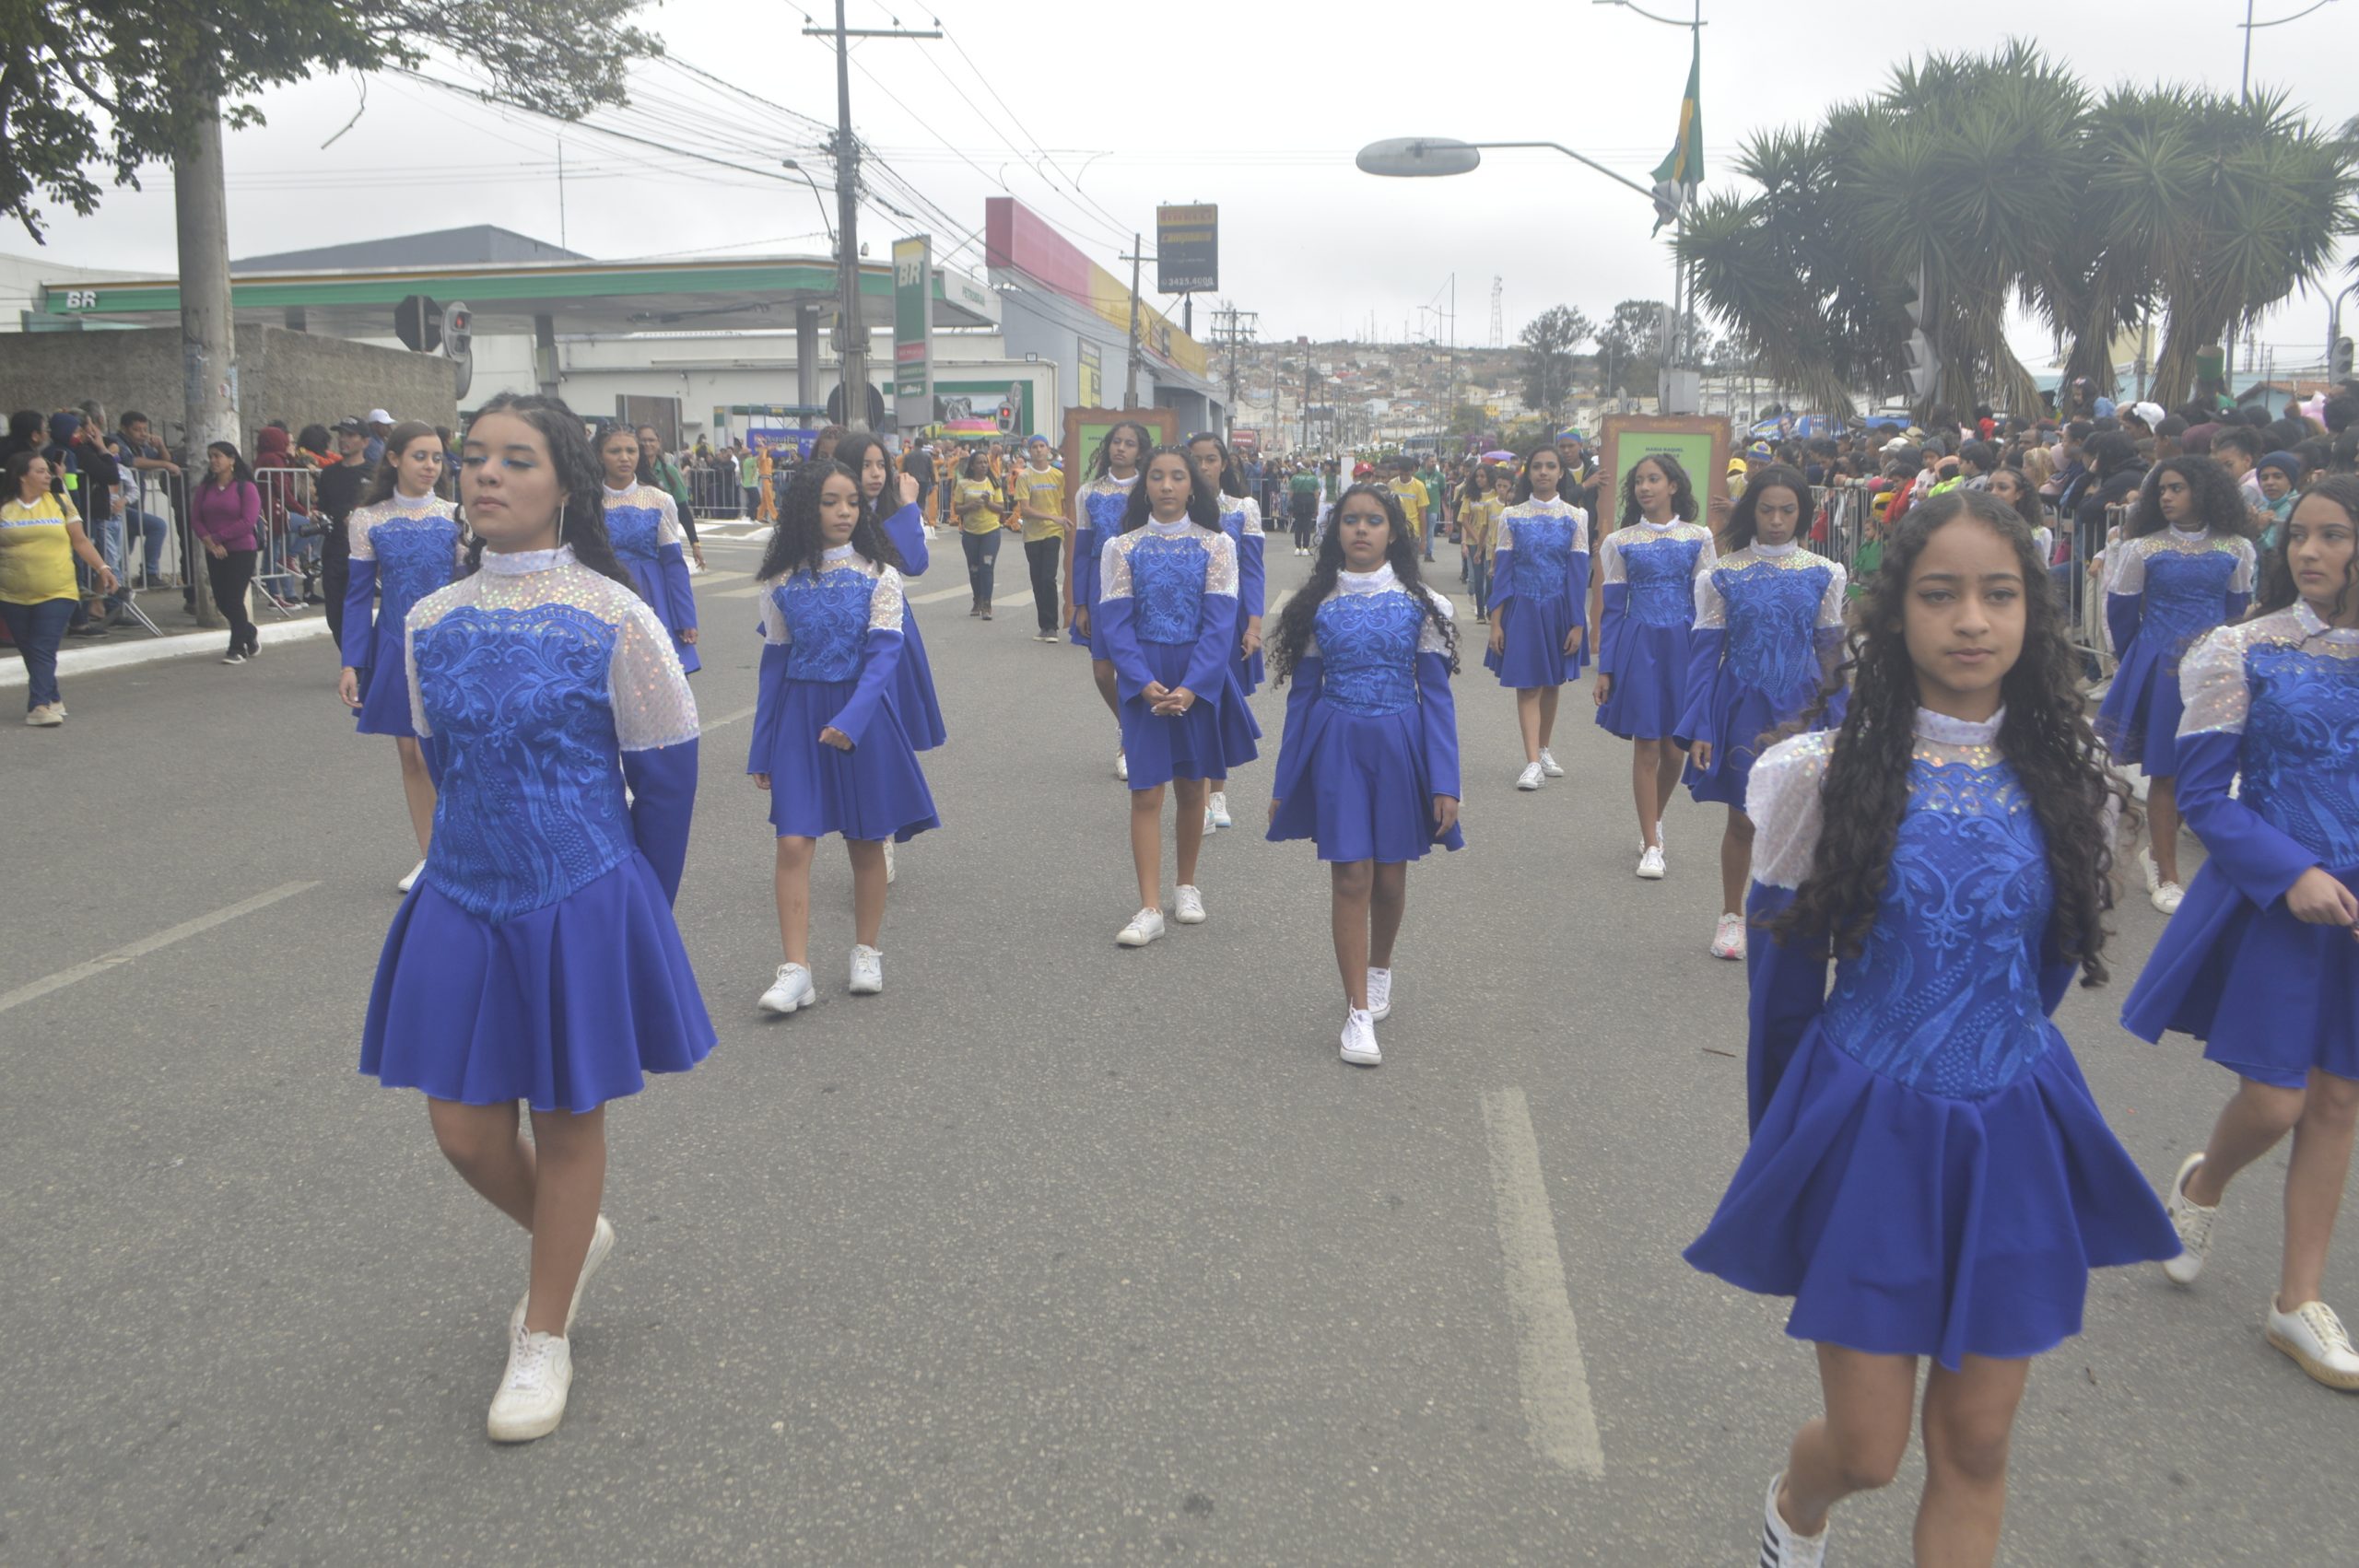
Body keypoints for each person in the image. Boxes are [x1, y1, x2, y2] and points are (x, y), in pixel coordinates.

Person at [1686, 488, 2177, 1568]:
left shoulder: (2076, 782)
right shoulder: (1817, 776)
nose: (1970, 621)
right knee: (1867, 1450)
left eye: (1998, 595)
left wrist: (1987, 1056)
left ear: (2031, 614)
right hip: (1865, 1132)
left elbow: (2046, 969)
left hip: (2012, 1128)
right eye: (1940, 595)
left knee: (1977, 1443)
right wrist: (1789, 1154)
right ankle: (1794, 1508)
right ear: (1893, 611)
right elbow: (1781, 996)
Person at [361, 391, 710, 1445]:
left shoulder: (615, 614)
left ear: (564, 481)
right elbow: (433, 757)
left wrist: (634, 910)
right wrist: (453, 862)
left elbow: (668, 773)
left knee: (565, 1118)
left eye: (516, 458)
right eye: (476, 456)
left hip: (581, 891)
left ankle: (543, 1332)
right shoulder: (428, 621)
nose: (486, 474)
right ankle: (574, 1234)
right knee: (463, 1130)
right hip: (462, 892)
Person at [2120, 474, 2359, 1392]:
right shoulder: (2241, 649)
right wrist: (2289, 872)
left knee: (2338, 1100)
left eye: (2333, 534)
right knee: (2275, 1100)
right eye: (2299, 534)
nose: (2310, 551)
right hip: (2277, 897)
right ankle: (2204, 1181)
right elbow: (2203, 795)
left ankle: (2297, 1301)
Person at [1265, 484, 1461, 1066]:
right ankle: (1356, 1013)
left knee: (1390, 881)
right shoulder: (1315, 605)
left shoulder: (1424, 604)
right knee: (1352, 876)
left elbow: (1438, 698)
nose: (1361, 529)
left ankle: (1380, 967)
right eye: (1350, 520)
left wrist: (1446, 781)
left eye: (1374, 520)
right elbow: (1302, 700)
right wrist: (1284, 782)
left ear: (1392, 532)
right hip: (1339, 747)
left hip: (1400, 745)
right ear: (1336, 530)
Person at [748, 462, 938, 1014]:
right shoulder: (780, 580)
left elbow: (884, 656)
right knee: (792, 841)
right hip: (799, 719)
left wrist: (852, 720)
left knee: (865, 838)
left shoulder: (880, 574)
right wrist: (762, 747)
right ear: (806, 508)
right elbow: (773, 667)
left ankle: (866, 950)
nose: (844, 512)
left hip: (864, 717)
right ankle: (796, 970)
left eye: (852, 502)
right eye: (831, 502)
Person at [1675, 464, 1847, 960]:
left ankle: (1794, 914)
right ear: (1751, 510)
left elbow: (1831, 653)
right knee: (1743, 820)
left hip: (1803, 708)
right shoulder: (1720, 575)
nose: (1776, 520)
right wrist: (1702, 724)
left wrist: (1844, 725)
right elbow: (1704, 658)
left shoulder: (1826, 572)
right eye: (1767, 509)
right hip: (1742, 706)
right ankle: (1733, 916)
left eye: (1787, 511)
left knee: (1804, 820)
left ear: (1802, 514)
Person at [1096, 447, 1258, 945]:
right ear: (1144, 486)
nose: (1167, 486)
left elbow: (1220, 624)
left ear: (1193, 487)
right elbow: (1116, 624)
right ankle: (1149, 907)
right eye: (1157, 477)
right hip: (1144, 678)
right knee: (1146, 792)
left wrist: (1192, 687)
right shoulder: (1121, 547)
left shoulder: (1217, 545)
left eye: (1178, 477)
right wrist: (1140, 680)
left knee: (1192, 788)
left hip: (1198, 678)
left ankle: (1186, 885)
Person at [2096, 456, 2257, 913]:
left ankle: (2156, 852)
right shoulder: (2142, 548)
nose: (2166, 496)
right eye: (2162, 489)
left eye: (2177, 488)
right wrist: (2138, 661)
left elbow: (2237, 609)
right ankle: (2166, 871)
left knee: (2203, 767)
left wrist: (2224, 659)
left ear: (2204, 491)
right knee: (2165, 770)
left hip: (2214, 670)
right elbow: (2121, 611)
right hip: (2160, 667)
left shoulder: (2237, 547)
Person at [338, 420, 464, 894]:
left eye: (437, 458)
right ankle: (431, 857)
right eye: (419, 456)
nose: (430, 466)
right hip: (394, 644)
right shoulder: (367, 519)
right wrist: (352, 662)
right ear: (393, 459)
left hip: (450, 646)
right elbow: (356, 597)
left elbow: (469, 582)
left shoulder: (456, 516)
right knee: (411, 754)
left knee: (448, 755)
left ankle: (464, 849)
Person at [1594, 453, 1716, 878]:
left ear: (1673, 486)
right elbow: (1612, 610)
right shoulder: (1620, 541)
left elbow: (1709, 604)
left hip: (1684, 645)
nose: (1645, 487)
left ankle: (1655, 818)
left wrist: (1710, 658)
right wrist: (1606, 668)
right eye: (1639, 482)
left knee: (1673, 748)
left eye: (1653, 479)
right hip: (1639, 645)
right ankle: (1650, 843)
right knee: (1646, 744)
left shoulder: (1699, 537)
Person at [1485, 448, 1591, 790]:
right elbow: (1503, 572)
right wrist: (1496, 622)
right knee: (1529, 684)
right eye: (1537, 466)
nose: (1543, 472)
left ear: (1561, 473)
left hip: (1559, 609)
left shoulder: (1576, 516)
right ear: (1528, 473)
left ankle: (1543, 749)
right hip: (1524, 608)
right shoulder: (1511, 516)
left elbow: (1578, 574)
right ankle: (1532, 762)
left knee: (1552, 681)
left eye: (1550, 466)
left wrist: (1577, 622)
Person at [835, 432, 945, 756]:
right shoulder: (835, 513)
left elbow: (915, 563)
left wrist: (910, 505)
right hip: (843, 624)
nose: (876, 474)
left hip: (888, 625)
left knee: (889, 735)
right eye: (866, 465)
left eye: (881, 465)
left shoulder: (891, 509)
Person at [1186, 433, 1266, 833]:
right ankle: (1197, 799)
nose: (1203, 467)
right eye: (1196, 459)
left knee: (1220, 706)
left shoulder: (1242, 509)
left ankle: (1216, 793)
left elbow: (1253, 570)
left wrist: (1254, 625)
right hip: (1186, 619)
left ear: (1223, 463)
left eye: (1211, 459)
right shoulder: (1176, 508)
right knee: (1195, 704)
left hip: (1229, 620)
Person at [2, 451, 116, 725]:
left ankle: (39, 706)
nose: (48, 475)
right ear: (22, 476)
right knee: (29, 649)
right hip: (12, 593)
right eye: (40, 471)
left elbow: (80, 541)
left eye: (48, 470)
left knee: (42, 646)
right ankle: (52, 696)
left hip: (58, 590)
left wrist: (103, 569)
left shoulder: (60, 501)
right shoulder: (5, 507)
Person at [1068, 422, 1152, 780]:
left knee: (1135, 665)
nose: (1121, 448)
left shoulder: (1149, 489)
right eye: (1116, 442)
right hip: (1100, 586)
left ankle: (1130, 743)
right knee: (1103, 671)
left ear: (1140, 451)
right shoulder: (1089, 492)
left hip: (1141, 584)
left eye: (1129, 443)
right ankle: (1127, 724)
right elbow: (1081, 550)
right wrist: (1079, 604)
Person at [595, 425, 700, 674]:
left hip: (650, 594)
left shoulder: (659, 500)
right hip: (600, 596)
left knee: (651, 676)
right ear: (599, 455)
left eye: (631, 451)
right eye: (615, 451)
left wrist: (685, 618)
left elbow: (673, 563)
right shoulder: (586, 501)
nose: (624, 458)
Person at [191, 440, 263, 664]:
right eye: (211, 456)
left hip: (241, 550)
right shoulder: (206, 488)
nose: (213, 460)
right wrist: (209, 541)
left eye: (218, 456)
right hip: (214, 551)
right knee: (222, 601)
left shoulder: (245, 487)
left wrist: (217, 538)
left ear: (232, 460)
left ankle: (236, 648)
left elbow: (248, 521)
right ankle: (249, 632)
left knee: (234, 598)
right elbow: (196, 518)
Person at [312, 420, 371, 649]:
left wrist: (360, 519)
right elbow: (323, 507)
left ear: (365, 442)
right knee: (335, 616)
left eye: (350, 435)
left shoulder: (376, 473)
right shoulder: (329, 473)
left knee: (357, 614)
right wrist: (317, 515)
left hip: (364, 554)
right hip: (334, 551)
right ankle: (351, 660)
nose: (344, 439)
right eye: (341, 434)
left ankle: (357, 663)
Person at [109, 412, 178, 593]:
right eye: (137, 429)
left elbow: (165, 459)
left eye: (145, 429)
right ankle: (149, 573)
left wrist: (161, 446)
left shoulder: (140, 446)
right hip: (119, 505)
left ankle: (119, 592)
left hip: (133, 504)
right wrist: (164, 465)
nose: (142, 434)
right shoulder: (116, 442)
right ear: (124, 429)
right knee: (157, 526)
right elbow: (131, 461)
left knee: (124, 552)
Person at [1012, 435, 1068, 643]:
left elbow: (1064, 503)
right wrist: (1053, 516)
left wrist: (1062, 521)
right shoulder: (1025, 477)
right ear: (1030, 451)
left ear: (1048, 450)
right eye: (1034, 447)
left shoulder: (1058, 476)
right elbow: (1025, 509)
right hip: (1032, 534)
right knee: (1037, 580)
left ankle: (1052, 627)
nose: (1038, 450)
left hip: (1053, 532)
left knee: (1048, 578)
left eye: (1042, 446)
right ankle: (1043, 626)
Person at [634, 427, 706, 571]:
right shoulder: (630, 472)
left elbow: (683, 511)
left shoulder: (669, 472)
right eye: (643, 440)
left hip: (665, 543)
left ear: (659, 442)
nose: (647, 444)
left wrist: (695, 544)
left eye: (651, 440)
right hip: (637, 544)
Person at [951, 451, 1007, 619]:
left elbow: (1001, 508)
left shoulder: (994, 483)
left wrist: (988, 503)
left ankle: (987, 605)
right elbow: (957, 509)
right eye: (979, 462)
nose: (983, 465)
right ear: (972, 466)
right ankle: (977, 600)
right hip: (970, 533)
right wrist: (971, 506)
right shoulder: (963, 484)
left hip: (990, 532)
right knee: (974, 568)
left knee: (987, 568)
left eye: (985, 462)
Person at [1458, 465, 1499, 621]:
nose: (1479, 479)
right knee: (1477, 576)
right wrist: (1477, 540)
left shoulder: (1496, 494)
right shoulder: (1470, 495)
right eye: (1477, 476)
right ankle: (1480, 612)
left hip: (1492, 542)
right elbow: (1465, 520)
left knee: (1490, 577)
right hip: (1474, 541)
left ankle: (1490, 607)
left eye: (1482, 476)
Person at [1287, 462, 1320, 556]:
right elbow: (1316, 495)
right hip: (1310, 502)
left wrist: (1289, 504)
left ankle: (1297, 548)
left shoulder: (1295, 478)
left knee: (1298, 525)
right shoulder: (1313, 478)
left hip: (1297, 501)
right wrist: (1316, 508)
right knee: (1307, 526)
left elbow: (1290, 493)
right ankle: (1305, 548)